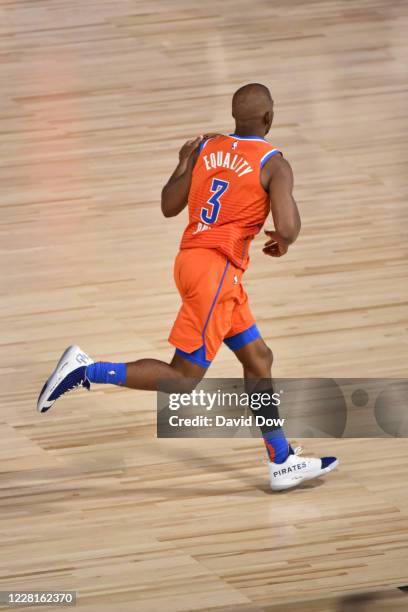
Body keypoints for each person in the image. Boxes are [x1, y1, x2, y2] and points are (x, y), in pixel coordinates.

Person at [37, 83, 338, 491]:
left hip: (195, 263)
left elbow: (168, 206)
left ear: (235, 117)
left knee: (259, 359)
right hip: (215, 272)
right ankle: (85, 370)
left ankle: (281, 459)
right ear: (269, 119)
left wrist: (184, 162)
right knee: (182, 379)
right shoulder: (274, 162)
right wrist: (285, 236)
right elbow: (287, 227)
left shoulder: (207, 147)